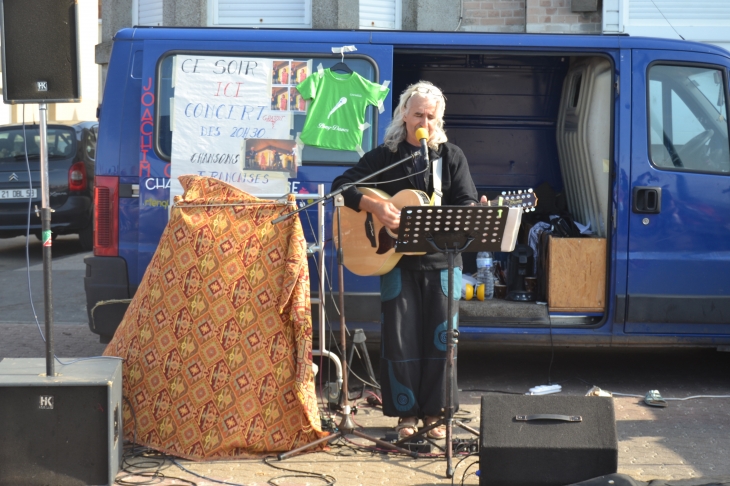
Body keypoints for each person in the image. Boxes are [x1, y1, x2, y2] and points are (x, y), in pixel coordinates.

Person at [331, 81, 486, 440]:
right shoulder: (384, 156)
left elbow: (466, 201)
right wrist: (376, 206)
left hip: (442, 264)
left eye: (431, 117)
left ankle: (435, 415)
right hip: (396, 265)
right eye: (418, 114)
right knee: (400, 341)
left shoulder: (451, 157)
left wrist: (469, 214)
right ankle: (406, 418)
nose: (424, 122)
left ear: (439, 121)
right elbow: (343, 186)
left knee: (442, 342)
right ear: (404, 114)